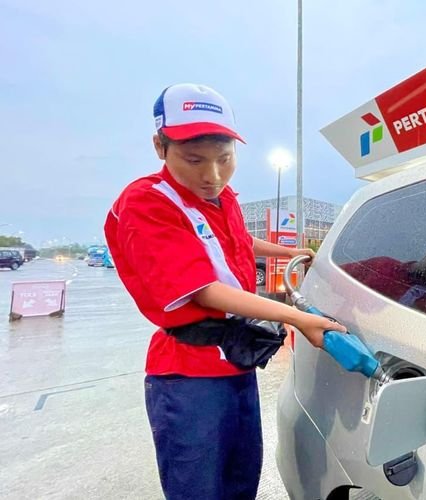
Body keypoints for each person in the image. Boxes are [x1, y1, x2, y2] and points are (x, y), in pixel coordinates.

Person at [104, 83, 346, 500]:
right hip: (189, 376)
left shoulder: (222, 198)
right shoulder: (148, 202)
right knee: (199, 488)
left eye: (224, 158)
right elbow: (204, 291)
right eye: (194, 160)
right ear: (160, 146)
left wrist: (289, 252)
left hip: (236, 363)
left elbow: (237, 241)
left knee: (241, 479)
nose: (212, 175)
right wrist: (297, 318)